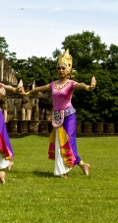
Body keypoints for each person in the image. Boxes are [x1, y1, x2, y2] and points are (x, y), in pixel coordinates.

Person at [22, 49, 96, 178]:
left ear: (69, 70)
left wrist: (88, 87)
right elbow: (40, 88)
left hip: (69, 115)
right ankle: (82, 164)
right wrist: (28, 93)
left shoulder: (71, 83)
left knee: (67, 142)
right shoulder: (53, 84)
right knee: (58, 142)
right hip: (56, 116)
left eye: (63, 68)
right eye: (59, 68)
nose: (61, 70)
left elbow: (80, 85)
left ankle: (63, 170)